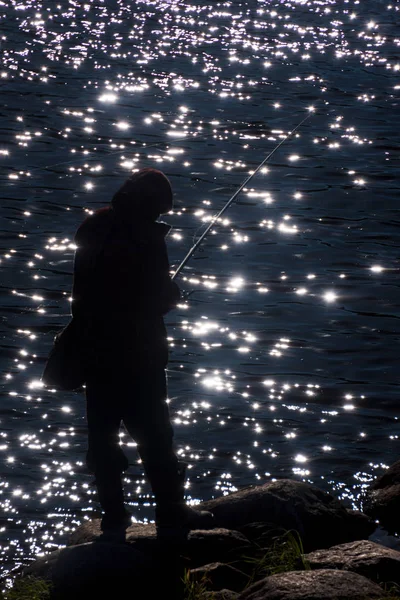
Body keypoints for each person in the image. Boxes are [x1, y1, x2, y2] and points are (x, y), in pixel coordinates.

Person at [71, 168, 214, 536]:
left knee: (102, 436)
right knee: (154, 435)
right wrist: (173, 294)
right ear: (150, 205)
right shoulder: (146, 237)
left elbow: (85, 294)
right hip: (138, 354)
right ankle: (171, 513)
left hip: (94, 350)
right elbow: (159, 298)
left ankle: (114, 517)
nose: (159, 218)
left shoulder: (93, 228)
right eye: (159, 211)